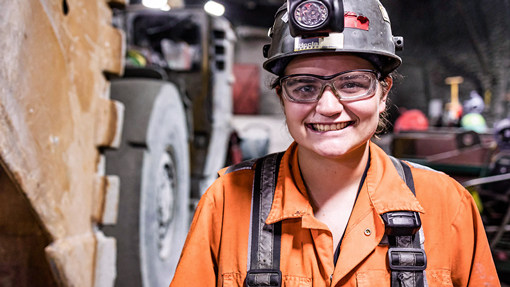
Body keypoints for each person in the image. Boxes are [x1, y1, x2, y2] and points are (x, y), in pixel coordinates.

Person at [170, 0, 500, 286]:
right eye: (303, 87)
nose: (328, 107)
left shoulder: (447, 205)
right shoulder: (226, 202)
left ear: (383, 93)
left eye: (353, 84)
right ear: (281, 97)